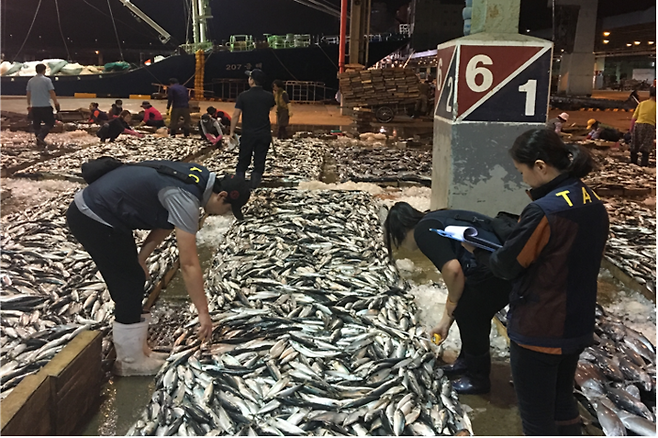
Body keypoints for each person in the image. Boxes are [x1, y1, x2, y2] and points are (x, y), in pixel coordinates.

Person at [466, 129, 609, 435]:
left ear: (541, 166)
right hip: (577, 321)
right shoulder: (592, 200)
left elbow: (507, 266)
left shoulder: (545, 211)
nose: (523, 180)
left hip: (541, 327)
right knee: (561, 402)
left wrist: (478, 251)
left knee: (536, 416)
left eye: (522, 172)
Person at [67, 163, 251, 376]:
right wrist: (203, 313)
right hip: (92, 216)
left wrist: (141, 258)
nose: (224, 214)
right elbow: (189, 263)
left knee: (133, 277)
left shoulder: (198, 179)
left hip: (107, 214)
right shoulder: (185, 198)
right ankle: (129, 362)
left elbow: (166, 223)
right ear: (221, 196)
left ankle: (139, 351)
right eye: (228, 209)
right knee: (128, 285)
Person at [384, 203, 512, 394]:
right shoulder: (435, 219)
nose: (403, 247)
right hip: (496, 265)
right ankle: (466, 362)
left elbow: (453, 270)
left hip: (496, 272)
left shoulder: (423, 232)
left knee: (473, 316)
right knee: (465, 309)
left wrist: (452, 303)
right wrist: (446, 320)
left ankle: (478, 379)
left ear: (401, 230)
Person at [229, 69, 276, 189]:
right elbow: (270, 109)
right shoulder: (269, 96)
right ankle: (254, 186)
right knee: (260, 160)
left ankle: (238, 186)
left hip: (248, 133)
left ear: (251, 80)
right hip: (264, 133)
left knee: (243, 159)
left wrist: (231, 131)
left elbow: (236, 115)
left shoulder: (243, 96)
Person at [26, 63, 60, 147]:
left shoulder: (31, 81)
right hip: (45, 106)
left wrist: (29, 104)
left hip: (35, 107)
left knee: (36, 124)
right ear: (44, 70)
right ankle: (41, 136)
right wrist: (56, 102)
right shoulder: (47, 80)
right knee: (50, 122)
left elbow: (28, 93)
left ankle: (38, 141)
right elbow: (51, 92)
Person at [629, 86, 656, 167]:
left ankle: (633, 162)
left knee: (635, 143)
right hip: (649, 126)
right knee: (646, 146)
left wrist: (631, 128)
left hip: (638, 124)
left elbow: (634, 117)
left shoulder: (642, 103)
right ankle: (643, 164)